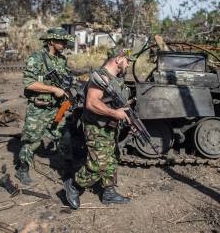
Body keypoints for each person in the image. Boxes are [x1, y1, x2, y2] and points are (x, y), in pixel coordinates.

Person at [64, 47, 136, 208]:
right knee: (97, 165)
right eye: (127, 61)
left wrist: (126, 118)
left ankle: (109, 193)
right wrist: (114, 113)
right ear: (118, 59)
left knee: (112, 158)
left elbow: (117, 104)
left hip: (109, 127)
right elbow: (91, 103)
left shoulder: (115, 78)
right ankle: (74, 186)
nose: (128, 64)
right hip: (97, 128)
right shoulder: (101, 77)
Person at [15, 27, 75, 185]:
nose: (64, 44)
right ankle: (22, 169)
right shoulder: (36, 58)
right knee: (32, 141)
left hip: (57, 108)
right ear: (51, 41)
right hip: (39, 109)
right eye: (61, 41)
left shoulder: (61, 60)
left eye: (65, 41)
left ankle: (68, 169)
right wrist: (54, 89)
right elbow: (29, 84)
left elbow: (67, 78)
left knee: (64, 137)